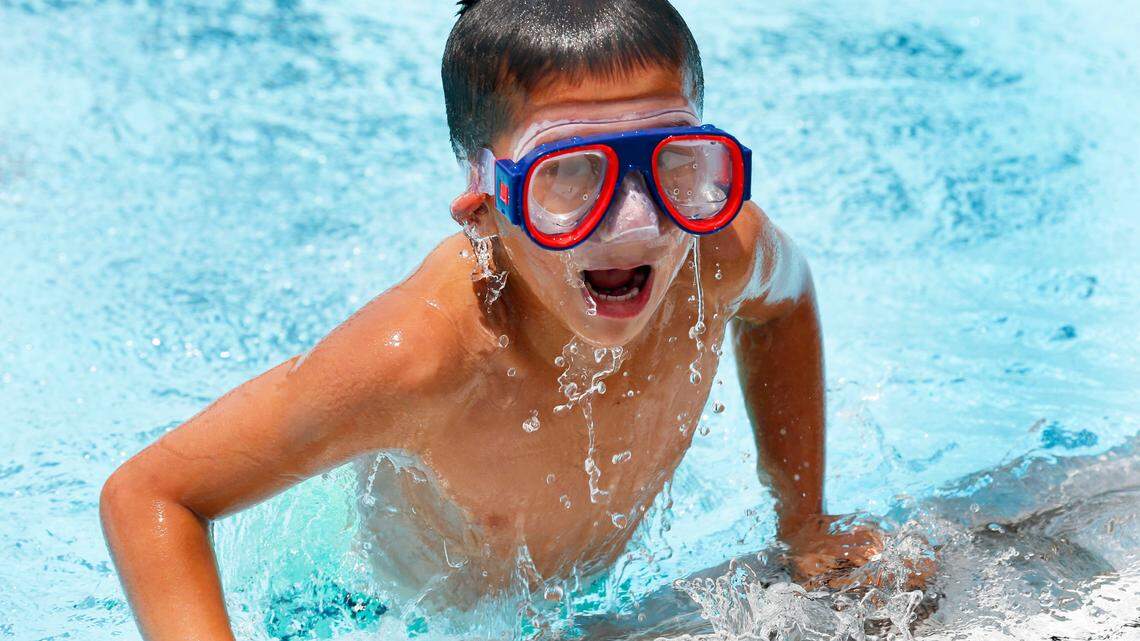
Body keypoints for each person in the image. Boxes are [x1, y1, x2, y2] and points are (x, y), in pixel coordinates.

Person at [100, 1, 887, 638]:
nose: (639, 221)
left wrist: (805, 524)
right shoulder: (419, 358)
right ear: (483, 209)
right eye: (571, 177)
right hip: (372, 611)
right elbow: (150, 495)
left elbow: (784, 304)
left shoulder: (719, 253)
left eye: (676, 162)